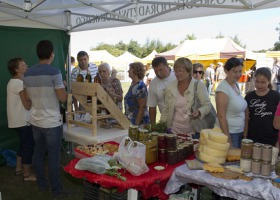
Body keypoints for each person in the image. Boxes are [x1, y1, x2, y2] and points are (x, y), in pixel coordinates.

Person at [23, 40, 68, 198]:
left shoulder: (27, 73)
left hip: (36, 120)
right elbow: (62, 98)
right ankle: (56, 189)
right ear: (51, 54)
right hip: (51, 121)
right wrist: (63, 86)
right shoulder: (54, 71)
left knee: (38, 153)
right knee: (53, 157)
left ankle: (42, 184)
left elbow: (27, 97)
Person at [160, 57, 211, 136]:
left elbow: (207, 105)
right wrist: (161, 127)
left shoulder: (198, 85)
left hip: (193, 132)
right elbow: (166, 109)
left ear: (188, 71)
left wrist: (199, 111)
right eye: (176, 71)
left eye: (181, 71)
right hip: (173, 131)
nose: (177, 74)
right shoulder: (170, 86)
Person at [6, 58, 36, 181]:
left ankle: (18, 168)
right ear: (16, 69)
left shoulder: (12, 82)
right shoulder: (19, 83)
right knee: (28, 146)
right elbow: (27, 105)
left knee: (23, 144)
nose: (26, 65)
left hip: (17, 120)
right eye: (23, 65)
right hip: (23, 120)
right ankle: (27, 174)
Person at [215, 57, 247, 148]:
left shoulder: (235, 84)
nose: (238, 74)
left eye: (240, 71)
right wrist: (228, 139)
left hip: (237, 132)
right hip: (230, 134)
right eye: (234, 71)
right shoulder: (223, 88)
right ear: (226, 71)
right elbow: (221, 116)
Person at [244, 67, 280, 146]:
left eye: (263, 82)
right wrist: (245, 135)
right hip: (252, 137)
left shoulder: (275, 96)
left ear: (268, 81)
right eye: (257, 81)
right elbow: (246, 118)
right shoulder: (249, 96)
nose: (259, 85)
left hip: (271, 138)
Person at [147, 57, 176, 124]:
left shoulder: (177, 77)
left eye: (160, 70)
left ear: (167, 66)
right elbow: (152, 106)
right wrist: (153, 125)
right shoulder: (153, 83)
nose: (158, 73)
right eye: (156, 71)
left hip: (182, 121)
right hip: (165, 121)